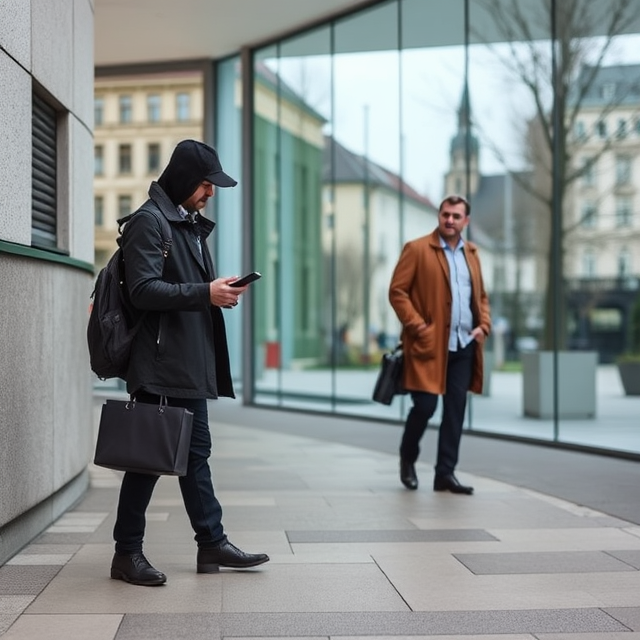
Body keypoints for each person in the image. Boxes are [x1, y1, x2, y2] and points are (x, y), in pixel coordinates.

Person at [110, 139, 269, 586]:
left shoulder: (186, 223)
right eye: (205, 184)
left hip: (185, 363)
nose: (210, 193)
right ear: (183, 179)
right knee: (147, 460)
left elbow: (181, 288)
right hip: (160, 364)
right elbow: (142, 289)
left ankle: (211, 542)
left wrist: (216, 291)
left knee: (196, 457)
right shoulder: (150, 222)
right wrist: (205, 293)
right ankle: (126, 554)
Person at [388, 195, 491, 495]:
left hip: (463, 345)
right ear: (439, 215)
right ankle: (408, 458)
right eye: (446, 214)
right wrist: (417, 325)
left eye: (456, 216)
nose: (450, 220)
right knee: (425, 407)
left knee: (455, 410)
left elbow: (481, 296)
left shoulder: (472, 253)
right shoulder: (417, 249)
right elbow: (397, 292)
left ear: (465, 221)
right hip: (427, 346)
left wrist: (483, 326)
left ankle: (445, 474)